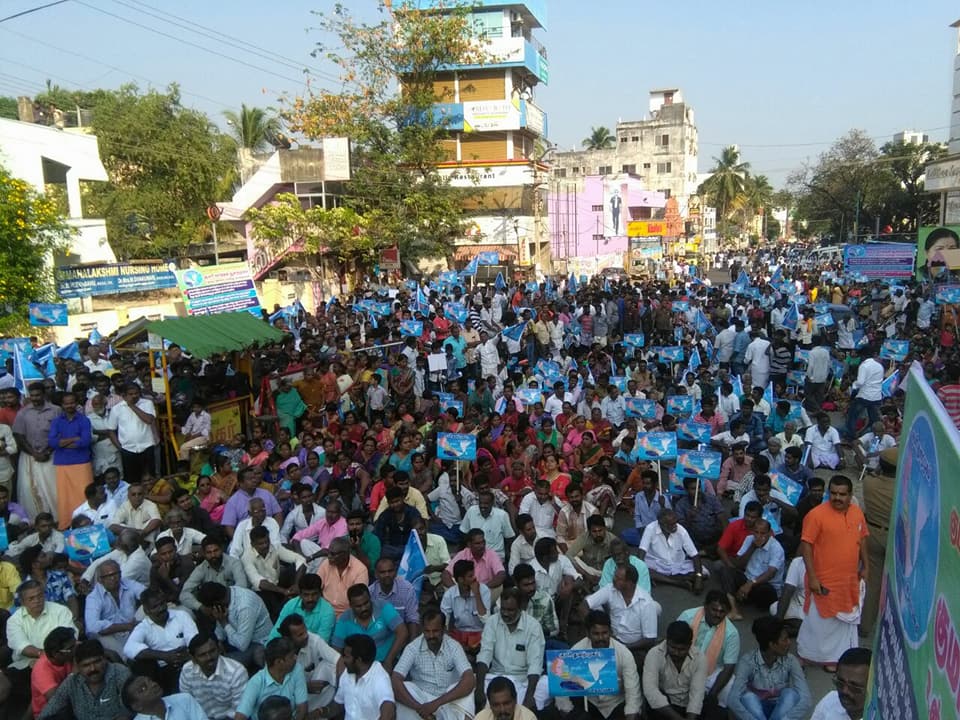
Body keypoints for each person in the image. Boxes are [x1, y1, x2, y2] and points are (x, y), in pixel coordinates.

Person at [798, 475, 868, 671]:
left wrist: (866, 565)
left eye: (842, 494)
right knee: (817, 623)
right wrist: (812, 577)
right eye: (834, 493)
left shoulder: (857, 513)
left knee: (841, 625)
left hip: (847, 580)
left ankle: (835, 659)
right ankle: (808, 655)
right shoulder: (816, 515)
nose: (837, 498)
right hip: (822, 580)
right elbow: (806, 546)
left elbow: (862, 539)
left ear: (850, 495)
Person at [554, 610, 641, 720]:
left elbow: (632, 690)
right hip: (589, 703)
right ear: (588, 634)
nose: (601, 638)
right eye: (596, 634)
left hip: (615, 704)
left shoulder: (624, 653)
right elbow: (561, 684)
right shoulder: (577, 651)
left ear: (610, 632)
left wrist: (631, 714)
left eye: (604, 633)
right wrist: (568, 711)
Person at [391, 608, 476, 720]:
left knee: (469, 683)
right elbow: (395, 678)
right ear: (422, 630)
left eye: (435, 631)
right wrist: (420, 708)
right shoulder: (413, 648)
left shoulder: (454, 646)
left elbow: (469, 679)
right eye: (427, 631)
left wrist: (435, 704)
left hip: (447, 700)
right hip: (421, 702)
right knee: (405, 687)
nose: (431, 636)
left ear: (444, 630)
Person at [474, 588, 549, 712]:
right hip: (495, 679)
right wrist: (480, 688)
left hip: (523, 682)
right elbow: (484, 655)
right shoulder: (492, 622)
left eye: (510, 610)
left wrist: (529, 696)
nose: (505, 614)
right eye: (503, 609)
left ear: (521, 608)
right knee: (466, 685)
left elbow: (535, 665)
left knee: (547, 684)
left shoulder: (533, 626)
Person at [728, 617, 811, 720]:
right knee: (748, 698)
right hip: (757, 711)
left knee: (791, 694)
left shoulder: (791, 660)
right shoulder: (747, 662)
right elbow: (733, 699)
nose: (789, 642)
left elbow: (805, 698)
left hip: (781, 710)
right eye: (784, 639)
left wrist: (787, 719)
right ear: (772, 644)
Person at [122, 587, 198, 693]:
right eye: (155, 607)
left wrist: (183, 656)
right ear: (146, 610)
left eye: (162, 603)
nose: (161, 608)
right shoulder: (143, 627)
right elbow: (129, 648)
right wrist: (164, 656)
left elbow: (194, 640)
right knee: (142, 665)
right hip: (162, 671)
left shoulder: (181, 615)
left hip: (188, 662)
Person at [37, 639, 132, 720]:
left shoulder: (120, 673)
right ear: (78, 667)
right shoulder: (72, 681)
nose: (93, 669)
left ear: (104, 659)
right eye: (86, 665)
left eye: (97, 662)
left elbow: (130, 710)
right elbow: (51, 708)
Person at [677, 592, 740, 711]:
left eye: (722, 612)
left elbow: (729, 667)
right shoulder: (688, 616)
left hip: (711, 672)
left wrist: (712, 694)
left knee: (730, 686)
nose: (717, 615)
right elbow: (673, 641)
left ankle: (717, 711)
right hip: (682, 664)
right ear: (705, 606)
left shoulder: (732, 633)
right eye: (714, 610)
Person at [585, 564, 660, 658]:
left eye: (618, 578)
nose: (614, 579)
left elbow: (650, 639)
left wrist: (623, 647)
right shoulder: (610, 589)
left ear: (629, 583)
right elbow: (584, 605)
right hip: (608, 640)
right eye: (614, 576)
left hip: (633, 649)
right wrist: (593, 628)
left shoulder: (646, 603)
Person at [718, 519, 785, 621]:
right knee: (726, 570)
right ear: (752, 531)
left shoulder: (776, 548)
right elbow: (739, 564)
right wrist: (752, 548)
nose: (759, 536)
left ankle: (743, 596)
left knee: (765, 591)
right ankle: (733, 609)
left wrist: (750, 584)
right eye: (756, 532)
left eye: (763, 533)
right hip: (748, 578)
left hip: (765, 585)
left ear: (770, 533)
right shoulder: (749, 539)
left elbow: (770, 573)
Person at [196, 581, 273, 668]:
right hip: (236, 640)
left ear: (217, 603)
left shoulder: (245, 606)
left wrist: (224, 623)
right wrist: (218, 641)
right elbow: (220, 630)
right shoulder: (224, 600)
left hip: (257, 643)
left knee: (219, 665)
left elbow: (242, 645)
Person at [331, 583, 408, 670]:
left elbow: (403, 632)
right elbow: (336, 649)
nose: (364, 608)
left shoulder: (383, 607)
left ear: (370, 599)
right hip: (359, 667)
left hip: (387, 660)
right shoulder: (344, 619)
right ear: (351, 606)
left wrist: (388, 661)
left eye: (366, 603)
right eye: (358, 606)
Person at [642, 621, 708, 720]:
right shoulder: (654, 654)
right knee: (653, 705)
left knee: (711, 703)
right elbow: (651, 691)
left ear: (690, 645)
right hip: (665, 707)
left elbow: (697, 694)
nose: (677, 653)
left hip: (687, 704)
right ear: (667, 641)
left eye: (682, 649)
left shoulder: (699, 658)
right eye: (673, 647)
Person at [11, 382, 59, 520]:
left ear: (43, 394)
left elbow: (60, 433)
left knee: (53, 490)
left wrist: (48, 452)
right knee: (28, 490)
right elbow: (18, 435)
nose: (35, 398)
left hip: (51, 455)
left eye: (38, 395)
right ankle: (34, 521)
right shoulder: (23, 412)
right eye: (32, 395)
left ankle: (56, 520)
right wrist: (34, 453)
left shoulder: (56, 411)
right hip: (29, 457)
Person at [47, 391, 94, 529]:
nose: (69, 405)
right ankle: (66, 524)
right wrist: (74, 439)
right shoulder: (56, 421)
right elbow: (53, 443)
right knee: (65, 497)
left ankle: (86, 524)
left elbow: (85, 441)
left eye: (72, 402)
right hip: (63, 463)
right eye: (66, 403)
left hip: (82, 462)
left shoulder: (84, 420)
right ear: (62, 405)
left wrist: (63, 442)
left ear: (76, 403)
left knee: (83, 494)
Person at [6, 579, 77, 670]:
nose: (37, 600)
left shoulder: (60, 611)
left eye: (40, 596)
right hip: (26, 664)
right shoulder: (14, 621)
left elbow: (70, 638)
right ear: (22, 602)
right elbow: (22, 647)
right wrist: (43, 659)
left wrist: (47, 660)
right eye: (31, 598)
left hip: (60, 660)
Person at [324, 633, 395, 720]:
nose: (343, 660)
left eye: (346, 656)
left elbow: (389, 712)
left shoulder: (380, 678)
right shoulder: (347, 673)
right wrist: (318, 712)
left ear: (358, 660)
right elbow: (338, 705)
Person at [276, 613, 340, 710]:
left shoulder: (314, 640)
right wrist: (303, 687)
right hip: (291, 699)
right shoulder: (279, 654)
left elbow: (339, 660)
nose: (306, 636)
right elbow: (278, 687)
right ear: (288, 638)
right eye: (300, 635)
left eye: (305, 631)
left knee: (328, 666)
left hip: (315, 693)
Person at [178, 633, 249, 720]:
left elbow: (239, 710)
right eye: (202, 655)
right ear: (193, 658)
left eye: (212, 651)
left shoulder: (236, 672)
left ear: (219, 649)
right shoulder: (187, 670)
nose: (209, 657)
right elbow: (186, 703)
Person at [235, 638, 307, 720]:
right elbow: (240, 717)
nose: (295, 658)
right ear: (279, 662)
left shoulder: (296, 669)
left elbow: (302, 707)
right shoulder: (256, 682)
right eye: (291, 657)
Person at [85, 559, 146, 656]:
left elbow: (147, 595)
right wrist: (126, 626)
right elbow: (92, 627)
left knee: (148, 605)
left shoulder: (127, 583)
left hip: (132, 626)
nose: (113, 578)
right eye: (108, 576)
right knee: (124, 653)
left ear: (120, 574)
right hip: (110, 634)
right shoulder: (93, 597)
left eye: (116, 574)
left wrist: (133, 624)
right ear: (101, 579)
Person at [181, 535, 250, 615]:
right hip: (211, 608)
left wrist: (229, 604)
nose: (213, 555)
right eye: (209, 552)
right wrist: (200, 607)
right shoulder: (200, 569)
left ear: (221, 549)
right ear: (203, 553)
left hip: (235, 604)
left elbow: (242, 587)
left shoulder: (234, 563)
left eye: (216, 551)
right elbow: (184, 594)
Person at [637, 510, 705, 592]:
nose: (675, 526)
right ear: (662, 525)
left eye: (675, 522)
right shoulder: (650, 528)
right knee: (640, 567)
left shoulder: (681, 530)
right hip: (657, 564)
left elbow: (695, 555)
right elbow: (641, 553)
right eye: (672, 524)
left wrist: (698, 577)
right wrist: (641, 572)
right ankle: (677, 582)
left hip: (677, 564)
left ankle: (662, 579)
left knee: (704, 572)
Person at [109, 383, 158, 484]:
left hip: (147, 446)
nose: (134, 396)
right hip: (128, 449)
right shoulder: (116, 409)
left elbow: (149, 420)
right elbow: (111, 430)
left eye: (136, 393)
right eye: (130, 394)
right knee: (132, 480)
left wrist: (132, 406)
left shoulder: (147, 403)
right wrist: (120, 448)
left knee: (150, 478)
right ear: (124, 396)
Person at [270, 573, 336, 643]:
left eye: (314, 594)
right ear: (300, 594)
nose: (310, 599)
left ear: (320, 593)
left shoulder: (328, 611)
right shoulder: (291, 605)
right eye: (306, 595)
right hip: (291, 647)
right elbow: (276, 632)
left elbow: (322, 643)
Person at [810, 647, 871, 720]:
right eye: (840, 683)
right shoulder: (830, 701)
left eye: (854, 687)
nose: (844, 691)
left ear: (872, 687)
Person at [30, 626, 76, 718]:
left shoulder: (67, 653)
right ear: (56, 654)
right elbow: (57, 702)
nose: (76, 649)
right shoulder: (42, 670)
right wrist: (74, 673)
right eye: (72, 647)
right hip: (49, 714)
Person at [318, 537, 370, 617]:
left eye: (333, 554)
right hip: (324, 611)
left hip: (348, 614)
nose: (329, 556)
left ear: (345, 554)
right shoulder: (326, 564)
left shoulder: (360, 570)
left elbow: (359, 600)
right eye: (328, 552)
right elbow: (317, 587)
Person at [370, 557, 420, 638]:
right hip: (379, 635)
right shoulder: (370, 592)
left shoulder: (407, 589)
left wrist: (411, 647)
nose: (387, 575)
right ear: (376, 574)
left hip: (402, 634)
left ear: (396, 572)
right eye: (383, 572)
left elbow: (413, 619)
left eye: (390, 571)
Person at [459, 489, 515, 562]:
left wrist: (507, 556)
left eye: (486, 503)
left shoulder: (502, 515)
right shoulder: (471, 511)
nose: (482, 506)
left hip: (496, 557)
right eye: (481, 503)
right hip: (475, 556)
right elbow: (464, 533)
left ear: (492, 503)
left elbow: (509, 538)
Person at [121, 674, 208, 720]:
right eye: (143, 688)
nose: (153, 685)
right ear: (137, 706)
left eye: (150, 681)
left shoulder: (184, 699)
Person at [844, 346, 883, 441]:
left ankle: (851, 437)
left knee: (852, 416)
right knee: (873, 419)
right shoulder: (879, 366)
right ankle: (871, 437)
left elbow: (860, 382)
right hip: (876, 397)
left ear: (863, 356)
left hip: (864, 396)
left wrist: (853, 385)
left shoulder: (864, 366)